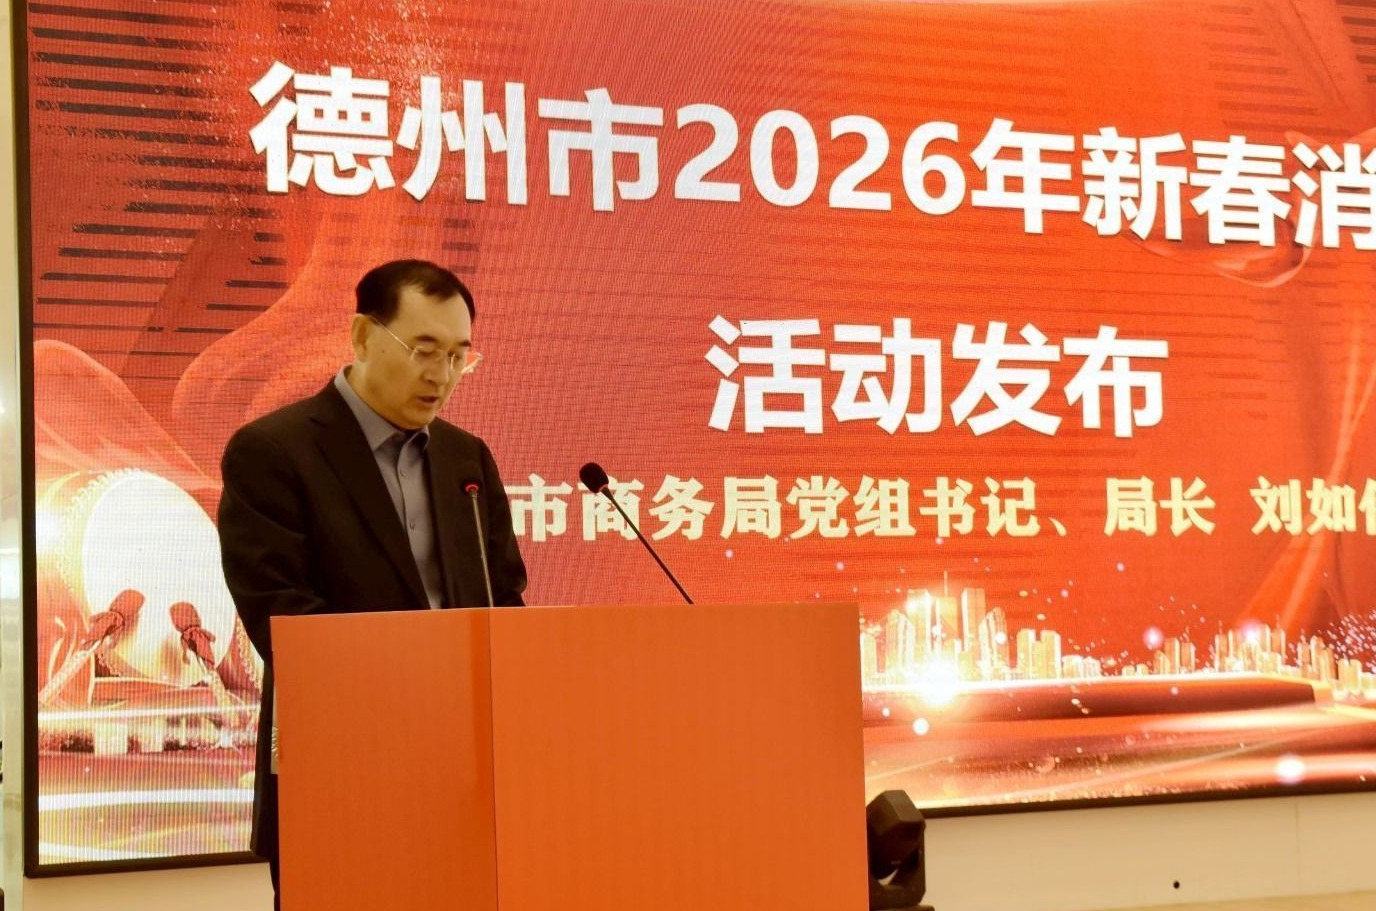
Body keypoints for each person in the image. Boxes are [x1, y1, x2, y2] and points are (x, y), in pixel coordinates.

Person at [217, 260, 527, 908]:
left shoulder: (466, 458)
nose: (441, 375)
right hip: (341, 775)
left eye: (459, 356)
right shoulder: (273, 452)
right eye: (424, 350)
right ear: (362, 336)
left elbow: (504, 600)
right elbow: (282, 619)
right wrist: (416, 695)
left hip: (464, 783)